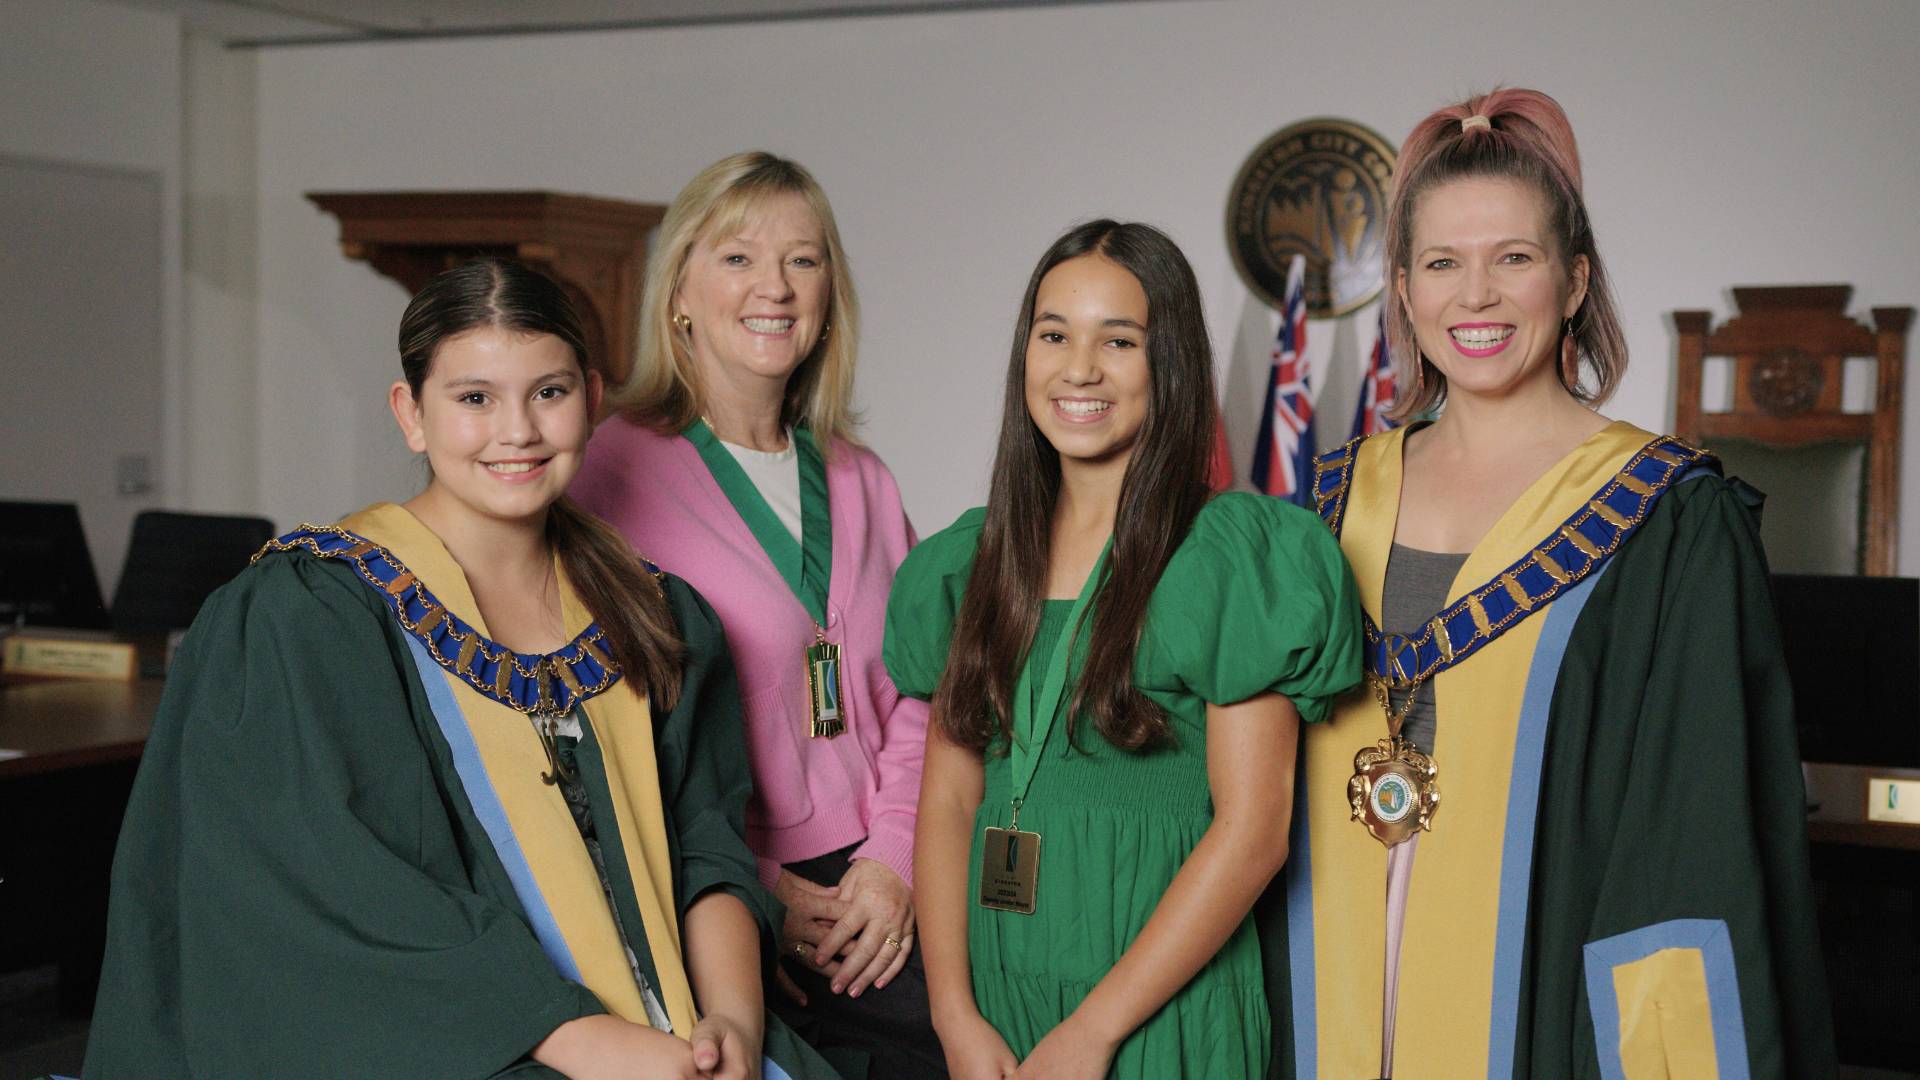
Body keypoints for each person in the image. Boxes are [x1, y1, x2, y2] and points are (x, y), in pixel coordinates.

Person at [84, 258, 837, 1080]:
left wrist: (731, 1018)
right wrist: (588, 1045)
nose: (517, 430)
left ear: (591, 398)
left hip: (680, 1032)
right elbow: (335, 897)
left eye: (548, 392)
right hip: (462, 1046)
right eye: (474, 398)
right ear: (411, 414)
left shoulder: (654, 614)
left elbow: (705, 844)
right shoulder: (312, 615)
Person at [1288, 88, 1836, 1078]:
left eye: (1515, 258)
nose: (1477, 296)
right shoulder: (1329, 504)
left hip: (1537, 994)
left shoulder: (1665, 519)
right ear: (1404, 291)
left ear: (1575, 281)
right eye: (1444, 263)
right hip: (1329, 976)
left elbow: (1688, 835)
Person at [887, 220, 1361, 1079]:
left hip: (1154, 1013)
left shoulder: (1227, 559)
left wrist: (1094, 1032)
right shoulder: (969, 564)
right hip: (993, 1005)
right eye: (1054, 334)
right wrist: (953, 1016)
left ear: (1168, 364)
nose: (1079, 369)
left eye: (1119, 341)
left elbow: (1254, 831)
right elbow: (949, 804)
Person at [571, 152, 938, 1078]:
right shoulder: (606, 474)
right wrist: (759, 888)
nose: (774, 286)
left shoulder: (861, 476)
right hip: (712, 887)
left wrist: (892, 864)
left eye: (803, 261)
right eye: (738, 257)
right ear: (680, 291)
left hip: (879, 886)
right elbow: (601, 734)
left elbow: (927, 686)